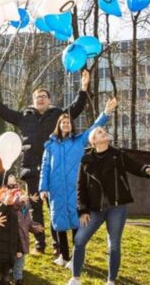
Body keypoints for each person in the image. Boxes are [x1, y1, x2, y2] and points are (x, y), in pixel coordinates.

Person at [0, 69, 90, 254]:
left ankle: (59, 245)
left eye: (43, 96)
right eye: (37, 97)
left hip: (54, 170)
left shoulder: (58, 114)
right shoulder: (25, 116)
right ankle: (40, 243)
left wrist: (83, 88)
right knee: (35, 208)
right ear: (33, 100)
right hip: (31, 169)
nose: (40, 99)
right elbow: (5, 113)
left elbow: (76, 108)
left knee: (54, 208)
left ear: (49, 100)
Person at [63, 127, 150, 285]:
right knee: (79, 239)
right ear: (94, 141)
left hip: (116, 208)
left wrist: (146, 170)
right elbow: (80, 187)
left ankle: (110, 283)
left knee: (113, 245)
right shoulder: (86, 160)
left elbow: (134, 166)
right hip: (94, 210)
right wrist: (82, 210)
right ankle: (75, 279)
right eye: (99, 132)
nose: (104, 132)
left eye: (104, 131)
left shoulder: (117, 155)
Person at [39, 97, 116, 268]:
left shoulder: (79, 141)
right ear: (58, 125)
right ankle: (64, 256)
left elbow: (94, 128)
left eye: (68, 122)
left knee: (76, 224)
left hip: (76, 189)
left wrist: (106, 112)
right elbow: (44, 168)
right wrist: (43, 187)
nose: (65, 124)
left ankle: (76, 258)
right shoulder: (50, 146)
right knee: (58, 223)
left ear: (71, 125)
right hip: (56, 190)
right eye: (63, 122)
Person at [5, 174, 43, 285]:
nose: (14, 189)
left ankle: (18, 283)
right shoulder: (8, 204)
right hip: (11, 241)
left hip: (22, 240)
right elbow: (12, 206)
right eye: (10, 186)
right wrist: (20, 200)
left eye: (15, 185)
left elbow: (27, 221)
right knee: (9, 263)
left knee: (19, 263)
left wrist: (34, 227)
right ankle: (6, 283)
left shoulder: (25, 207)